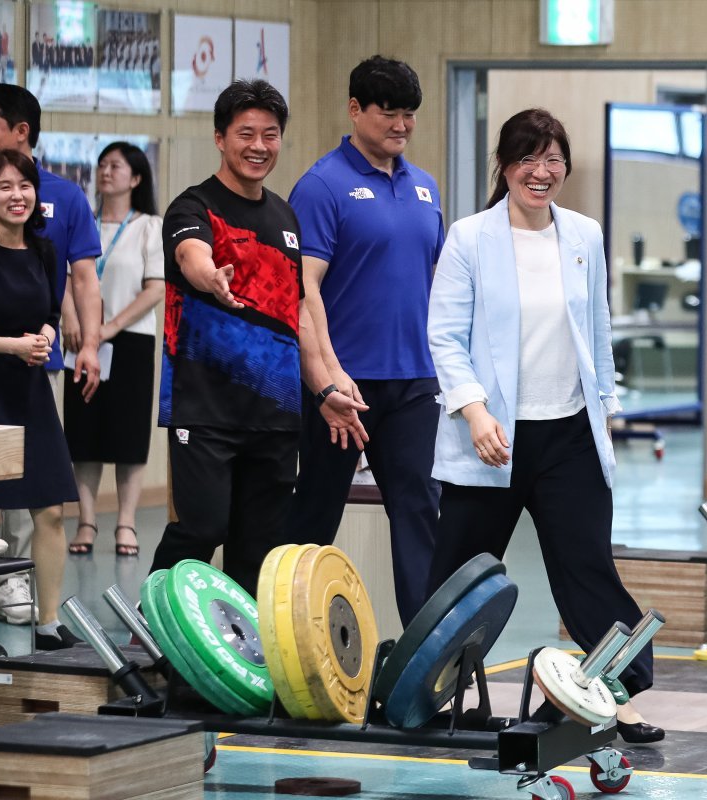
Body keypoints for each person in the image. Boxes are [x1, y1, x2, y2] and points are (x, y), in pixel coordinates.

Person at [426, 109, 662, 744]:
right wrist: (474, 412)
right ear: (504, 167)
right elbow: (444, 338)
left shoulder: (583, 234)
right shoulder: (469, 238)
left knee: (587, 568)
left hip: (568, 435)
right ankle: (431, 689)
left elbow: (598, 331)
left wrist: (606, 412)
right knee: (463, 572)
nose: (542, 171)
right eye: (528, 158)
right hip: (492, 438)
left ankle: (619, 693)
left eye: (553, 158)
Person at [149, 79, 364, 597]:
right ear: (221, 137)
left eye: (270, 134)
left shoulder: (285, 217)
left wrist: (325, 391)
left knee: (257, 550)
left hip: (274, 417)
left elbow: (300, 319)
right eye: (246, 133)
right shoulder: (193, 207)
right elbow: (190, 256)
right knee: (201, 528)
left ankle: (239, 662)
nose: (259, 146)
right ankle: (154, 630)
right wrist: (210, 276)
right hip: (204, 411)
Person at [286, 55, 443, 627]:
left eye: (409, 114)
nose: (400, 125)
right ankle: (284, 636)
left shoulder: (425, 188)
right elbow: (303, 291)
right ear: (355, 109)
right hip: (342, 386)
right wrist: (327, 379)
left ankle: (428, 656)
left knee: (419, 512)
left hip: (413, 382)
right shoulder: (323, 185)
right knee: (315, 514)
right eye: (388, 113)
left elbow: (433, 286)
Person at [0, 83, 102, 625]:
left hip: (29, 388)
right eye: (4, 187)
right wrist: (12, 345)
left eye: (24, 186)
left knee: (51, 509)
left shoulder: (44, 249)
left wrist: (52, 336)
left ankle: (50, 620)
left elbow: (51, 309)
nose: (17, 195)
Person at [64, 142, 163, 558]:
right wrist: (73, 319)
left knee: (128, 435)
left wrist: (107, 328)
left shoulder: (148, 225)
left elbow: (156, 286)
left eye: (116, 166)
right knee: (83, 432)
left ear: (136, 177)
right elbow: (65, 278)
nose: (106, 172)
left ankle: (125, 522)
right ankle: (86, 519)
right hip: (80, 340)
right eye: (101, 164)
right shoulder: (81, 221)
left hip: (131, 340)